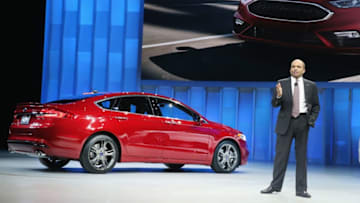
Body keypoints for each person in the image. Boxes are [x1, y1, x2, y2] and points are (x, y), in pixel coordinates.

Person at [261, 59, 320, 198]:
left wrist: (310, 121)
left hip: (302, 123)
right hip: (285, 124)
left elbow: (316, 106)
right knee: (280, 157)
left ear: (304, 70)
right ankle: (275, 186)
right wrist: (279, 95)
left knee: (301, 158)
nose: (295, 69)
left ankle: (301, 190)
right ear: (290, 69)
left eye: (298, 67)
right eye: (293, 66)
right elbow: (275, 103)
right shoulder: (282, 83)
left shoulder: (311, 85)